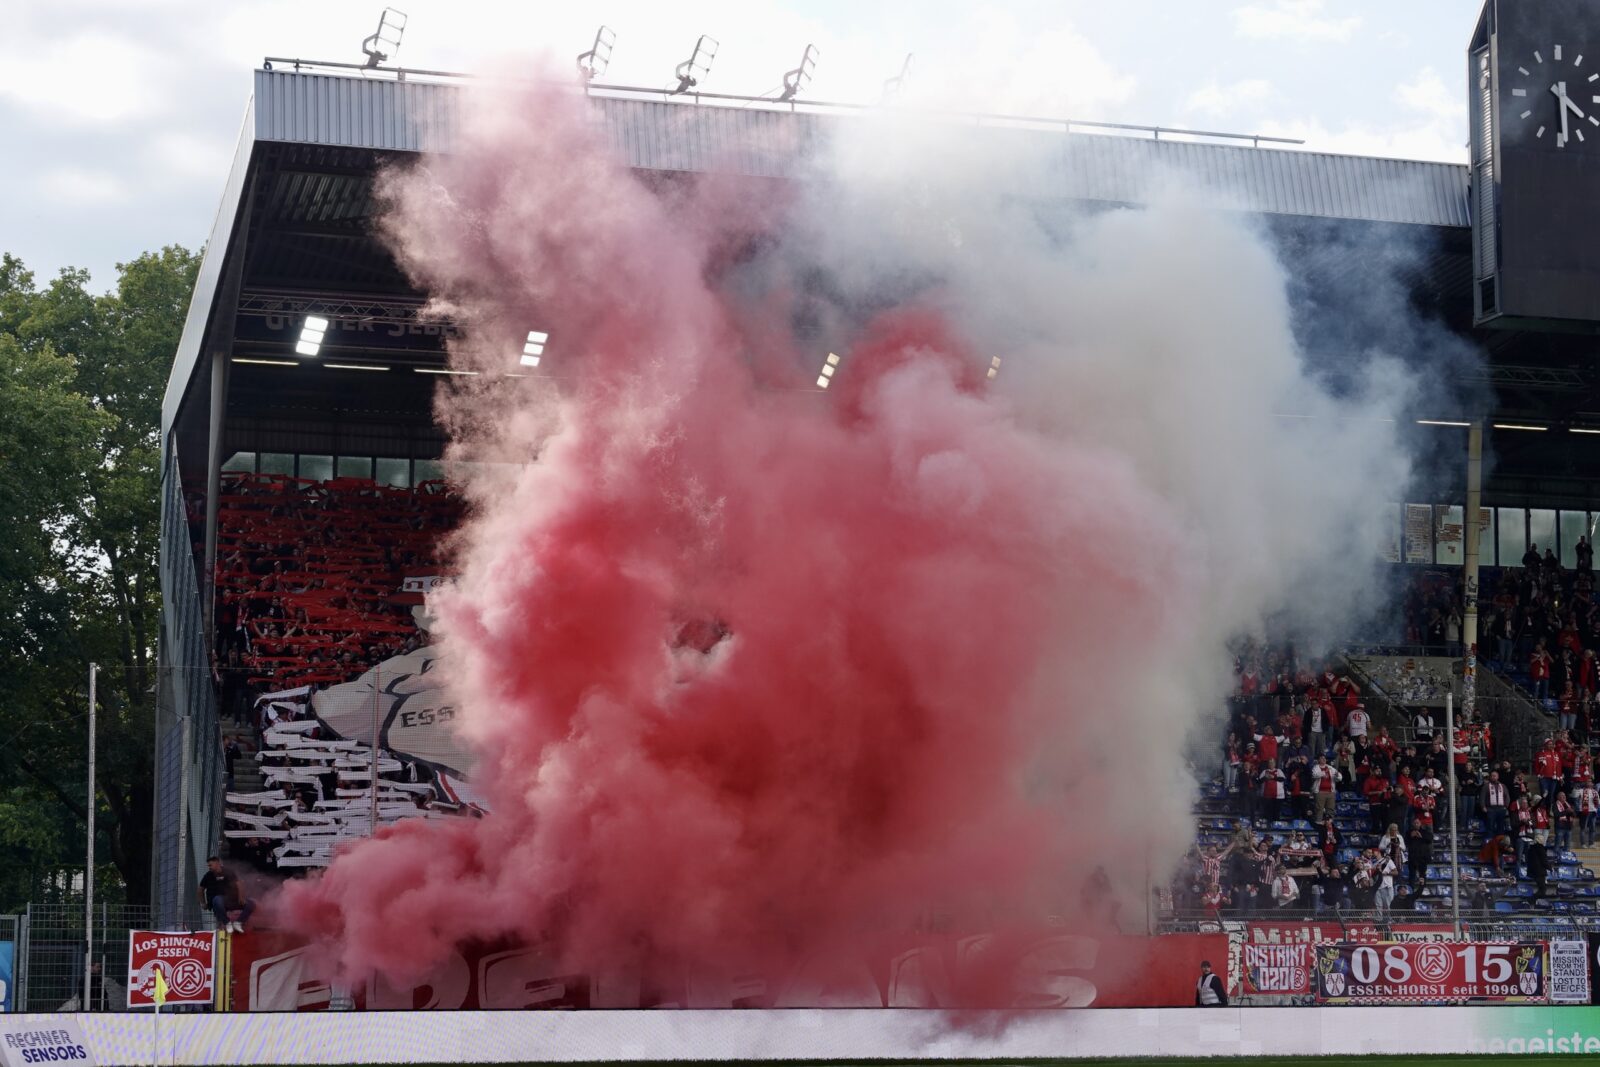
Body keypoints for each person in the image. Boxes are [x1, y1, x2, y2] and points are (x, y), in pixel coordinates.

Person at [198, 855, 255, 933]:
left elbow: (239, 884)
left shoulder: (228, 872)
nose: (209, 867)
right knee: (217, 899)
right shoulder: (208, 875)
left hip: (232, 899)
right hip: (218, 902)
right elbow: (200, 889)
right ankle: (227, 923)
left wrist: (241, 897)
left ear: (217, 863)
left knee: (251, 903)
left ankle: (238, 923)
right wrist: (203, 903)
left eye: (210, 865)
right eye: (208, 865)